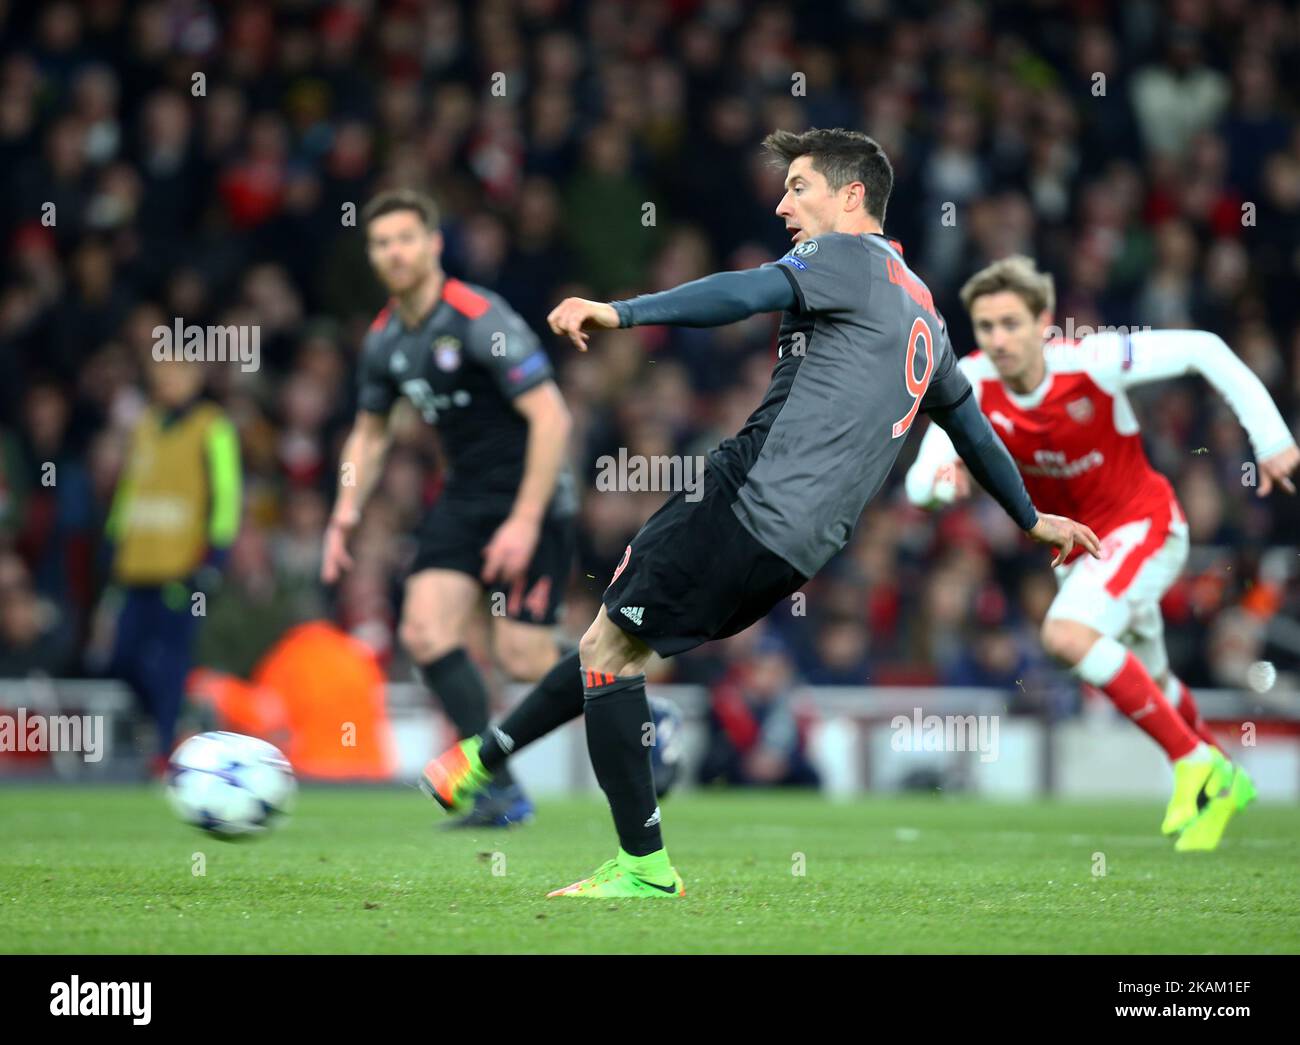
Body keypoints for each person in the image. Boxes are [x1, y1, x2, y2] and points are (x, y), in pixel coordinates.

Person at [420, 128, 1099, 897]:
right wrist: (1031, 518)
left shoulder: (848, 256)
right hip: (799, 549)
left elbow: (744, 292)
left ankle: (639, 865)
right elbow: (971, 428)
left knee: (608, 646)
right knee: (615, 647)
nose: (782, 205)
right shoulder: (927, 318)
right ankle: (487, 757)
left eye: (799, 187)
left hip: (747, 496)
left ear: (852, 197)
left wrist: (622, 311)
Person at [905, 254, 1300, 851]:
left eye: (1012, 323)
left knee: (1065, 637)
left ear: (1044, 322)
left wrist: (1270, 437)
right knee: (1153, 681)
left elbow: (1206, 348)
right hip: (1081, 550)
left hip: (1145, 526)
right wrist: (940, 485)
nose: (999, 339)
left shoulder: (1091, 360)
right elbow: (919, 480)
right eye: (987, 327)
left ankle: (1193, 761)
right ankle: (1224, 777)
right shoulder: (970, 383)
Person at [322, 190, 576, 827]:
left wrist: (524, 520)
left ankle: (624, 689)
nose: (394, 252)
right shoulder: (384, 339)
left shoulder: (476, 316)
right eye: (381, 243)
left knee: (521, 658)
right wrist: (345, 510)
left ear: (435, 244)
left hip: (532, 493)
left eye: (406, 238)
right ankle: (499, 789)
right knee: (424, 631)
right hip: (464, 496)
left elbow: (551, 415)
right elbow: (371, 432)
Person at [105, 358, 241, 773]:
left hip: (182, 567)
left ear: (195, 378)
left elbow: (227, 491)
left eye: (176, 373)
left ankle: (164, 750)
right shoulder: (145, 425)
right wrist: (113, 542)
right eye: (161, 373)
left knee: (170, 659)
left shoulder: (211, 426)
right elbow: (130, 489)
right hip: (136, 566)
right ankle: (179, 717)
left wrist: (215, 555)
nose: (166, 381)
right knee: (121, 660)